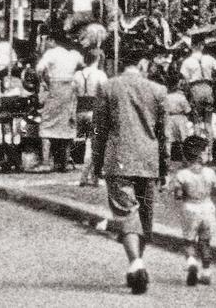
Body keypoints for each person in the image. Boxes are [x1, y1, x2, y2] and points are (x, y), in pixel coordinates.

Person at [91, 52, 168, 295]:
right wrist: (164, 166)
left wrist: (97, 161)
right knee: (144, 216)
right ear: (143, 64)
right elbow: (163, 133)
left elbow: (99, 129)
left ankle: (136, 263)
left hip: (119, 159)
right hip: (148, 160)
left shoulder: (107, 87)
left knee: (126, 213)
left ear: (119, 65)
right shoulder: (158, 90)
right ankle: (137, 263)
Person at [169, 134, 216, 287]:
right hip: (207, 208)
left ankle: (191, 262)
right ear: (202, 154)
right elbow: (215, 191)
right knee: (205, 242)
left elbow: (178, 195)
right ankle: (206, 272)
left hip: (189, 208)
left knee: (189, 241)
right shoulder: (210, 173)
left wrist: (182, 193)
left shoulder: (182, 175)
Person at [35, 29, 84, 172]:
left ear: (52, 40)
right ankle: (64, 162)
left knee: (47, 123)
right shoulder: (73, 54)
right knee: (67, 123)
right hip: (70, 90)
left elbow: (39, 69)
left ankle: (45, 162)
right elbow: (83, 65)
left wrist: (44, 81)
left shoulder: (51, 53)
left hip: (55, 88)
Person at [76, 49, 108, 187]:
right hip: (94, 112)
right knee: (94, 145)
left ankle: (87, 176)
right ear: (98, 59)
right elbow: (106, 93)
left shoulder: (78, 74)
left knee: (86, 143)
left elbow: (74, 94)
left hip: (80, 111)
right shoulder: (100, 75)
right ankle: (90, 177)